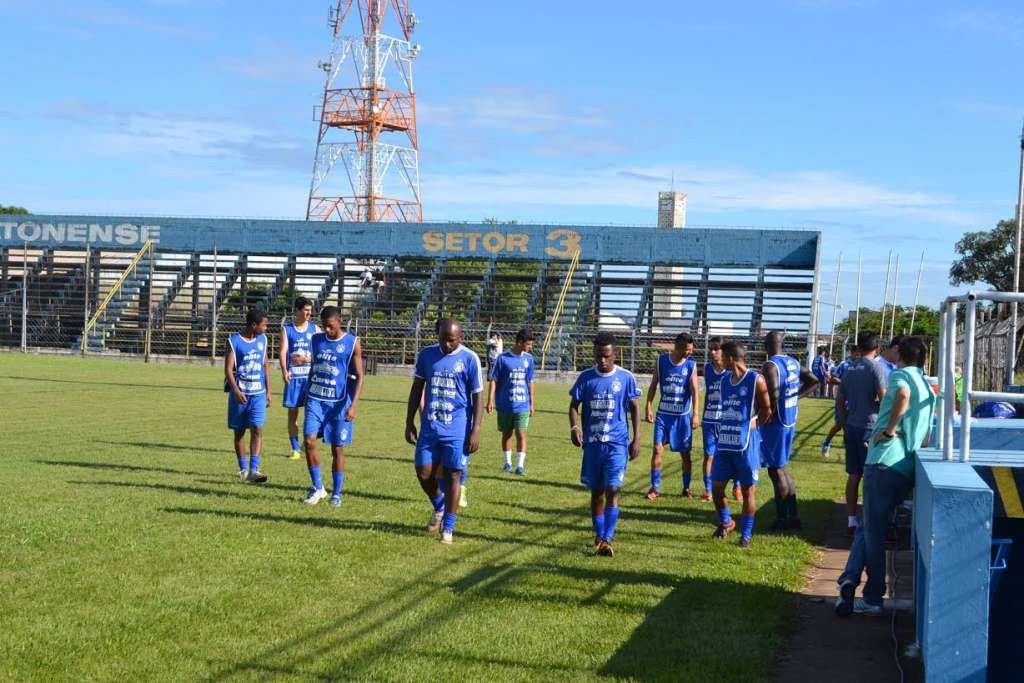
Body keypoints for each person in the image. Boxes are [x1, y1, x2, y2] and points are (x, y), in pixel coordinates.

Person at [836, 336, 935, 616]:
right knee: (868, 528)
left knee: (874, 533)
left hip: (883, 460)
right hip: (906, 464)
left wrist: (890, 430)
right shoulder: (927, 384)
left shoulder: (901, 376)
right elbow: (926, 429)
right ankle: (849, 578)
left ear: (900, 354)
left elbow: (901, 396)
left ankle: (872, 597)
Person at [405, 318, 483, 544]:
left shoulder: (470, 359)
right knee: (423, 472)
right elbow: (416, 388)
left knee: (453, 475)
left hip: (457, 428)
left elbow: (477, 397)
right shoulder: (427, 355)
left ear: (460, 338)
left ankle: (448, 528)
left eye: (451, 340)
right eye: (443, 339)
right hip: (430, 426)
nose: (447, 344)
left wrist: (475, 429)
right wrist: (409, 421)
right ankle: (439, 505)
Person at [569, 332, 642, 557]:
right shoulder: (586, 378)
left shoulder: (626, 378)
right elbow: (574, 406)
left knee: (613, 489)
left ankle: (607, 538)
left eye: (607, 356)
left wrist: (637, 437)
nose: (603, 360)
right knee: (597, 493)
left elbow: (634, 408)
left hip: (617, 444)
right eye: (599, 355)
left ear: (615, 354)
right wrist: (575, 428)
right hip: (593, 444)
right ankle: (599, 535)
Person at [710, 340, 771, 548]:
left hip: (746, 445)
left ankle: (746, 535)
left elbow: (767, 410)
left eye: (721, 355)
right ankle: (727, 522)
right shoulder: (725, 380)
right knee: (716, 488)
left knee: (747, 491)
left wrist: (752, 427)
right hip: (725, 443)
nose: (718, 358)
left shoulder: (756, 380)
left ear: (730, 358)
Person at [301, 306, 363, 506]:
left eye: (330, 326)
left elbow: (360, 376)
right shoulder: (316, 340)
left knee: (337, 448)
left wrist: (353, 405)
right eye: (324, 326)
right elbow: (313, 367)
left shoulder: (352, 343)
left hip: (339, 403)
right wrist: (308, 390)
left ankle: (336, 493)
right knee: (309, 441)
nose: (326, 330)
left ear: (339, 321)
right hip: (315, 400)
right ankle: (318, 488)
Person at [761, 331, 819, 531]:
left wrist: (766, 414)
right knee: (782, 467)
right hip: (790, 420)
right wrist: (795, 397)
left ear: (766, 344)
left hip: (777, 423)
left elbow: (774, 393)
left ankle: (782, 519)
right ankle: (793, 516)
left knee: (775, 469)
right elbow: (814, 380)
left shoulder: (770, 365)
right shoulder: (793, 362)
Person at [836, 332, 887, 537]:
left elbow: (840, 399)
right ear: (877, 347)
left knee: (853, 475)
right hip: (869, 427)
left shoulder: (849, 368)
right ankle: (869, 520)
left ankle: (851, 519)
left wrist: (844, 420)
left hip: (852, 426)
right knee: (871, 476)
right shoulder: (876, 367)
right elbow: (883, 397)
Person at [644, 332, 701, 500]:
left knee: (685, 454)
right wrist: (648, 405)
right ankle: (655, 488)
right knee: (657, 449)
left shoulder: (690, 365)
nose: (690, 352)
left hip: (682, 417)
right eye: (687, 349)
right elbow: (654, 385)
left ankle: (686, 488)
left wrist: (695, 414)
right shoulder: (661, 361)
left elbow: (695, 392)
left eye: (691, 349)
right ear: (678, 347)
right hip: (663, 415)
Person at [224, 309, 272, 484]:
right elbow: (228, 369)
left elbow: (265, 365)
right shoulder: (234, 341)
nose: (266, 328)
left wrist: (268, 390)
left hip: (258, 394)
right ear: (254, 325)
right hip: (240, 394)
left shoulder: (263, 340)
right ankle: (243, 469)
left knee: (257, 429)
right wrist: (236, 391)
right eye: (264, 324)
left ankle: (254, 469)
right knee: (239, 432)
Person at [487, 328, 536, 475]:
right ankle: (507, 463)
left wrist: (532, 403)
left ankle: (520, 465)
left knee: (521, 433)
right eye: (528, 344)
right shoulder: (502, 358)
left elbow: (530, 381)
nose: (530, 347)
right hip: (505, 404)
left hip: (523, 404)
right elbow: (494, 380)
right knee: (507, 434)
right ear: (520, 343)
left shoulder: (529, 359)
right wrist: (490, 400)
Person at [702, 336, 741, 502]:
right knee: (709, 455)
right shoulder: (707, 369)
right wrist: (702, 414)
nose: (712, 352)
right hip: (710, 420)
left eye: (716, 349)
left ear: (723, 352)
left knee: (734, 455)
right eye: (710, 348)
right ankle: (708, 490)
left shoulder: (732, 371)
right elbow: (708, 394)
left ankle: (737, 487)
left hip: (728, 421)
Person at [280, 297, 319, 460]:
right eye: (306, 310)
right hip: (294, 378)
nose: (309, 313)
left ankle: (308, 442)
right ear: (297, 310)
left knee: (313, 414)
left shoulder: (315, 329)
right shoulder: (287, 329)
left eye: (310, 310)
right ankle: (295, 449)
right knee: (293, 415)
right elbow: (283, 352)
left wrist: (307, 359)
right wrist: (284, 370)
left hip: (311, 379)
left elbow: (321, 352)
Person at [821, 350, 858, 457]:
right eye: (856, 353)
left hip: (856, 400)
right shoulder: (844, 364)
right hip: (843, 400)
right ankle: (827, 443)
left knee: (852, 425)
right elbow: (833, 378)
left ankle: (849, 448)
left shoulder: (863, 365)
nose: (858, 355)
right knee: (840, 424)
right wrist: (846, 383)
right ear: (852, 353)